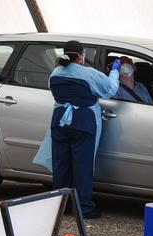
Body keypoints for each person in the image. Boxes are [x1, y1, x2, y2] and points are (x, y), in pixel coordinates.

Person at [35, 40, 121, 219]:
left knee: (61, 165)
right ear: (81, 55)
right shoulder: (88, 73)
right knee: (83, 166)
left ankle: (61, 205)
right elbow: (110, 89)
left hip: (60, 122)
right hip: (84, 122)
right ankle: (85, 208)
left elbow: (53, 90)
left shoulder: (55, 73)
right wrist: (115, 71)